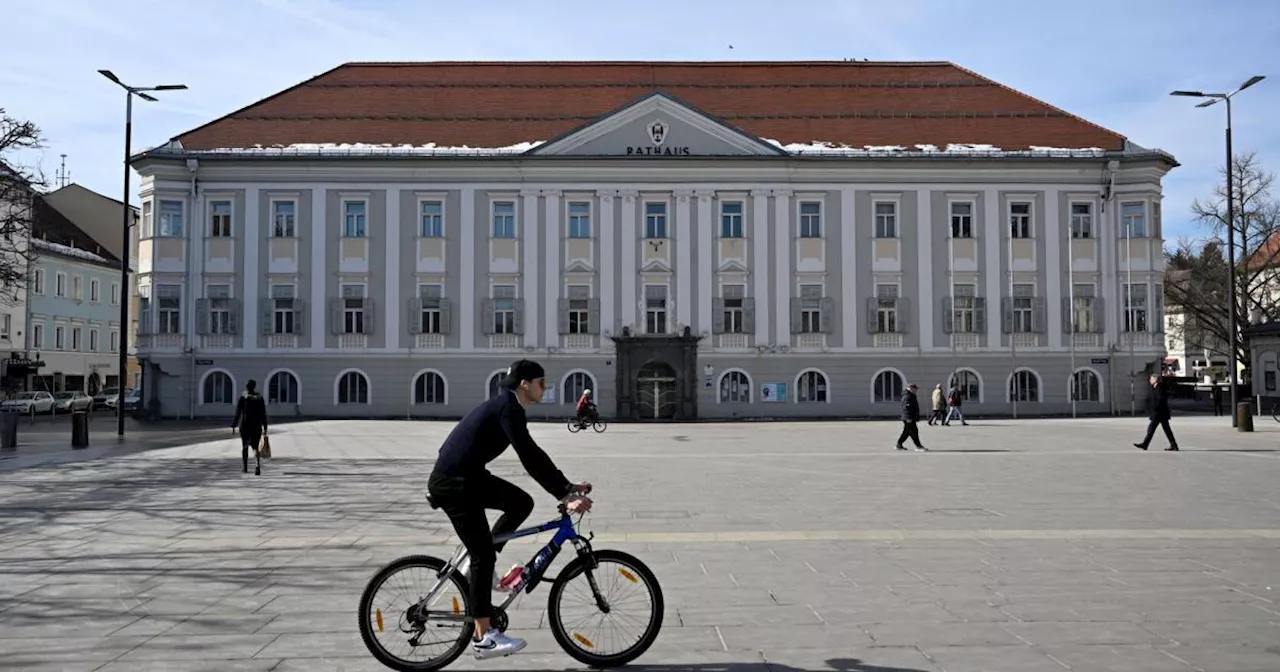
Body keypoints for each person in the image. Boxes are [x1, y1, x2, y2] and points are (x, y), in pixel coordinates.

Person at [427, 359, 593, 660]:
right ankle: (484, 638)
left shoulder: (508, 407)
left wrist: (566, 487)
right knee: (483, 555)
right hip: (454, 483)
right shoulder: (508, 408)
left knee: (521, 503)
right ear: (524, 384)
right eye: (541, 382)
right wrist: (564, 494)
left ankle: (480, 569)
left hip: (468, 476)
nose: (545, 388)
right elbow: (529, 456)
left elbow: (533, 453)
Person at [231, 379, 269, 475]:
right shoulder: (259, 398)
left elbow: (238, 413)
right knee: (255, 447)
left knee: (245, 446)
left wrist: (234, 425)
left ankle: (245, 467)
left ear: (247, 387)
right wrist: (265, 426)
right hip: (256, 426)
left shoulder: (243, 398)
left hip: (245, 426)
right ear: (254, 387)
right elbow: (263, 413)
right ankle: (257, 465)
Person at [1135, 374, 1179, 451]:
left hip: (1159, 413)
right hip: (1161, 413)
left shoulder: (1159, 388)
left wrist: (1155, 408)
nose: (1150, 380)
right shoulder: (1155, 388)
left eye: (1151, 379)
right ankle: (1174, 445)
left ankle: (1145, 444)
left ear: (1155, 380)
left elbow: (1160, 399)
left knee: (1151, 428)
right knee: (1166, 430)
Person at [895, 383, 928, 452]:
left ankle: (899, 444)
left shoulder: (911, 395)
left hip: (910, 417)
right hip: (908, 418)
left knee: (907, 432)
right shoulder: (907, 396)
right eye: (915, 389)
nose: (916, 390)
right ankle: (918, 446)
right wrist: (908, 418)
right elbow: (906, 408)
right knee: (914, 432)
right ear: (911, 388)